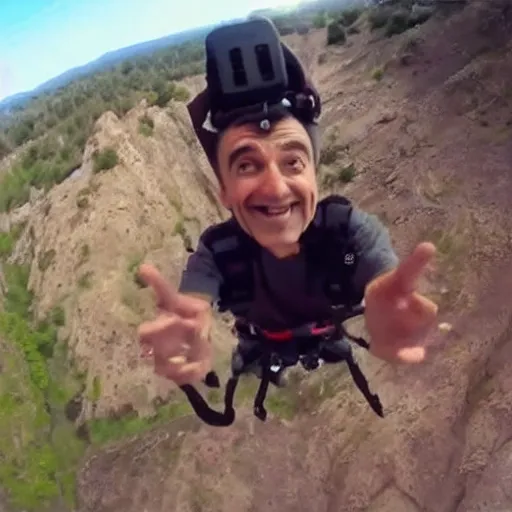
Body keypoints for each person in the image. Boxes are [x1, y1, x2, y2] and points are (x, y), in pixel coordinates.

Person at [137, 18, 438, 400]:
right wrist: (185, 325)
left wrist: (387, 301)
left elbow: (378, 268)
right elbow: (195, 297)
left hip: (318, 334)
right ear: (224, 191)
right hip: (264, 342)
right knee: (256, 364)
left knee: (322, 351)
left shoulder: (346, 233)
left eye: (293, 162)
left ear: (314, 175)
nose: (276, 188)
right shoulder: (219, 251)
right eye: (247, 165)